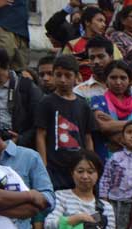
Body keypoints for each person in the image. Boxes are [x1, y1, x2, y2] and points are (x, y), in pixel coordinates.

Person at [37, 55, 99, 191]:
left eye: (67, 75)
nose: (62, 80)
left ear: (76, 77)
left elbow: (88, 137)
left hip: (78, 167)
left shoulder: (83, 105)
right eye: (58, 75)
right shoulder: (46, 102)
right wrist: (43, 165)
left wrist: (90, 164)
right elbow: (41, 135)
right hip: (54, 167)